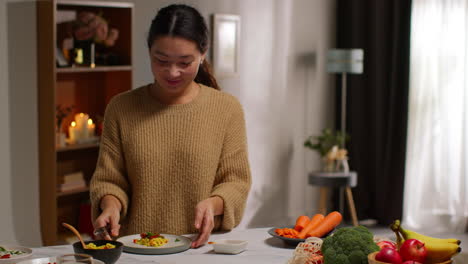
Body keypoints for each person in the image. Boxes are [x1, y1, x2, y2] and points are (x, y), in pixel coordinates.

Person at [90, 4, 251, 248]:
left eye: (185, 62)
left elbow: (236, 182)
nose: (172, 72)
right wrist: (110, 206)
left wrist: (213, 204)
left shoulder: (226, 109)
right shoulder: (121, 108)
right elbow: (110, 180)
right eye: (161, 60)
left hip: (201, 249)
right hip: (137, 250)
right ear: (149, 51)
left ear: (203, 54)